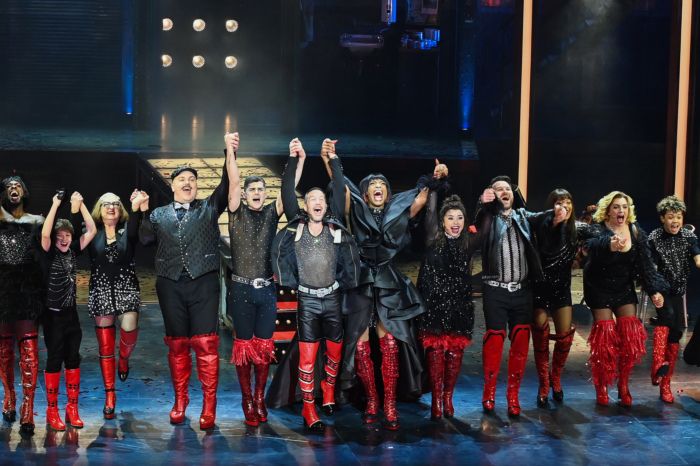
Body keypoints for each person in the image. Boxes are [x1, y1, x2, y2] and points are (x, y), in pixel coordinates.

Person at [324, 140, 447, 430]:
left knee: (390, 342)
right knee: (360, 345)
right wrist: (330, 159)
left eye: (383, 184)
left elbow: (421, 197)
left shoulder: (398, 211)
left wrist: (437, 176)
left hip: (389, 283)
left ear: (388, 193)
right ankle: (372, 400)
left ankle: (390, 403)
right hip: (360, 282)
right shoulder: (356, 208)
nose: (378, 186)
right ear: (366, 193)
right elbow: (340, 184)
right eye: (373, 184)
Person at [139, 139, 232, 430]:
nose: (188, 183)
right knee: (178, 346)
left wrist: (229, 151)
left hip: (203, 284)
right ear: (173, 185)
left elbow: (226, 185)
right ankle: (180, 401)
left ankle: (209, 406)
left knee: (205, 344)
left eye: (192, 179)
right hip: (171, 285)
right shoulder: (159, 214)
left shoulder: (208, 208)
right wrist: (143, 211)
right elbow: (144, 239)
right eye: (182, 179)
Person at [270, 139, 359, 432]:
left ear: (326, 204)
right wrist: (294, 159)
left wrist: (333, 158)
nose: (318, 202)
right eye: (312, 199)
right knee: (308, 357)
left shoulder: (334, 225)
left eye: (322, 198)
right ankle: (309, 408)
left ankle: (328, 389)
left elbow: (339, 187)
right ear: (305, 206)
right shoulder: (297, 226)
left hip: (332, 299)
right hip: (307, 302)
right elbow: (287, 191)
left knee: (334, 351)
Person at [225, 133, 305, 427]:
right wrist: (231, 152)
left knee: (263, 348)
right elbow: (233, 182)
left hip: (267, 292)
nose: (257, 192)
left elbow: (289, 188)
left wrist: (296, 158)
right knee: (244, 348)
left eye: (261, 189)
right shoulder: (236, 212)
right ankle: (247, 399)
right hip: (241, 291)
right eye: (253, 189)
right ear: (245, 195)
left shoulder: (272, 213)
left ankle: (259, 397)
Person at [476, 176, 567, 417]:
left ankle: (513, 396)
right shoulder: (488, 217)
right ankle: (489, 393)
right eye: (498, 189)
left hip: (522, 291)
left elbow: (541, 217)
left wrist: (555, 214)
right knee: (494, 341)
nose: (504, 192)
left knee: (520, 343)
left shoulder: (523, 216)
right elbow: (480, 219)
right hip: (495, 289)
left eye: (507, 188)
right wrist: (483, 202)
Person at [584, 191, 668, 406]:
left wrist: (654, 290)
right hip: (599, 287)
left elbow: (645, 265)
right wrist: (609, 245)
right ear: (608, 211)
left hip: (623, 288)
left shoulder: (635, 231)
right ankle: (602, 385)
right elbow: (592, 245)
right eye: (616, 207)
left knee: (629, 337)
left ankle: (623, 384)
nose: (621, 210)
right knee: (605, 340)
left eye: (624, 206)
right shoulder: (597, 228)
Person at [88, 190, 149, 420]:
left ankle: (123, 359)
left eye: (115, 203)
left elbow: (134, 229)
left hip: (126, 288)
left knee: (129, 330)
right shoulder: (92, 231)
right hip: (101, 289)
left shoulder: (127, 230)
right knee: (105, 348)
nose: (111, 207)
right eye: (106, 204)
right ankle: (110, 395)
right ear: (99, 209)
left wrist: (136, 207)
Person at [39, 190, 97, 431]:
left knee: (73, 358)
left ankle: (72, 408)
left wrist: (81, 205)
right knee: (54, 358)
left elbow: (91, 230)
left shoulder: (73, 250)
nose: (64, 239)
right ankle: (52, 410)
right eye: (60, 236)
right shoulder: (48, 252)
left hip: (71, 314)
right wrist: (55, 204)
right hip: (52, 316)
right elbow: (45, 233)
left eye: (67, 235)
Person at [417, 193, 477, 420]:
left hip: (459, 306)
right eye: (450, 217)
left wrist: (485, 203)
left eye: (459, 217)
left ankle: (448, 397)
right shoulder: (433, 238)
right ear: (442, 222)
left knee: (455, 352)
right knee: (435, 352)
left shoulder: (467, 243)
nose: (455, 222)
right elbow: (431, 211)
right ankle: (436, 400)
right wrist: (434, 187)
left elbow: (486, 225)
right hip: (435, 306)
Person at [0, 175, 44, 434]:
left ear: (25, 192)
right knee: (4, 351)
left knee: (29, 353)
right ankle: (9, 396)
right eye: (9, 187)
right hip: (3, 290)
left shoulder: (35, 221)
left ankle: (28, 407)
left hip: (27, 290)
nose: (13, 189)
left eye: (18, 186)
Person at [531, 189, 582, 407]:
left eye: (568, 202)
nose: (565, 206)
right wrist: (554, 223)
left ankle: (556, 378)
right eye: (560, 202)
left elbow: (600, 235)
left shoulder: (577, 229)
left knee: (564, 336)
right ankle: (543, 382)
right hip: (540, 288)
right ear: (551, 206)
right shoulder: (543, 227)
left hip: (562, 290)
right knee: (540, 334)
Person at [647, 195, 700, 403]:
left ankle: (665, 384)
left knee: (676, 332)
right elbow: (650, 268)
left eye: (678, 217)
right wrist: (654, 291)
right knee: (667, 315)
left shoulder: (688, 236)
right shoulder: (654, 237)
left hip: (678, 290)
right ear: (662, 218)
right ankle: (657, 365)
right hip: (660, 288)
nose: (675, 221)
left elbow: (697, 257)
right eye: (670, 217)